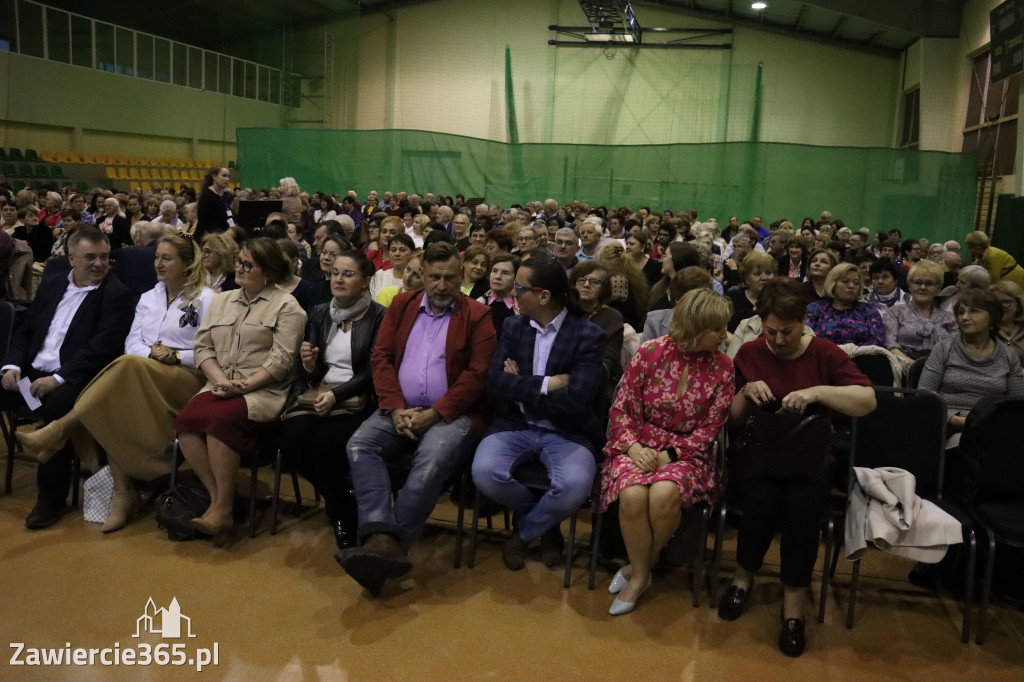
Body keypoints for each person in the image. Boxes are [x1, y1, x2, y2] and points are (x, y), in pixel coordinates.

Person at [718, 277, 875, 657]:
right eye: (770, 331)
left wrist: (819, 392)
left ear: (804, 321)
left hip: (807, 459)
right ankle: (742, 578)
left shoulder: (824, 353)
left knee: (803, 510)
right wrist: (744, 392)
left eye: (786, 332)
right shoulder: (751, 353)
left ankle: (793, 605)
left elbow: (868, 401)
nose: (778, 340)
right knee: (761, 501)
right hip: (759, 456)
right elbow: (733, 422)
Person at [17, 233, 215, 532]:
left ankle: (60, 430)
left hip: (185, 379)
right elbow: (131, 342)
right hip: (140, 373)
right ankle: (123, 493)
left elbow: (212, 350)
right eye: (156, 258)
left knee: (122, 369)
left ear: (188, 263)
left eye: (167, 258)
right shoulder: (149, 296)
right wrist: (151, 353)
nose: (158, 264)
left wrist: (177, 356)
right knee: (117, 394)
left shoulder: (208, 298)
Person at [337, 242, 496, 595]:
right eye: (435, 277)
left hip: (453, 413)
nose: (442, 285)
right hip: (400, 407)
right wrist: (394, 408)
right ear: (422, 274)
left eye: (450, 278)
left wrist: (436, 413)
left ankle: (388, 548)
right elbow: (381, 357)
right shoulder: (401, 304)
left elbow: (478, 375)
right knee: (361, 445)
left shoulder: (478, 315)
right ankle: (382, 538)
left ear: (462, 276)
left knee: (432, 459)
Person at [598, 288, 734, 614]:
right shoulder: (648, 353)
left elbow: (709, 430)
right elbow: (621, 410)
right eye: (717, 329)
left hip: (688, 453)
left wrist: (670, 455)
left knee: (662, 494)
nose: (725, 335)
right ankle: (643, 572)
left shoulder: (723, 367)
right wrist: (632, 447)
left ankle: (638, 570)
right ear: (696, 328)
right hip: (637, 443)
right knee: (631, 494)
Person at [472, 257, 607, 572]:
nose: (514, 292)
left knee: (574, 486)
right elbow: (494, 382)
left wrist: (519, 386)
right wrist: (550, 384)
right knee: (485, 474)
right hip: (515, 426)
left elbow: (576, 402)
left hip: (568, 430)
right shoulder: (513, 326)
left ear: (543, 296)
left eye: (520, 287)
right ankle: (546, 526)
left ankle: (524, 532)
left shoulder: (588, 335)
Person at [0, 227, 136, 529]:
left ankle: (50, 499)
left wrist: (59, 378)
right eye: (90, 257)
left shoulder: (117, 295)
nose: (99, 263)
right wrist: (11, 365)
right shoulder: (51, 285)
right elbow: (26, 331)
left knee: (57, 406)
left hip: (77, 377)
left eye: (104, 257)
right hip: (31, 372)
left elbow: (101, 349)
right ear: (71, 258)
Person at [174, 238, 306, 537]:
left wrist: (242, 386)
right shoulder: (221, 300)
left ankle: (221, 509)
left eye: (249, 265)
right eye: (239, 262)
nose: (240, 269)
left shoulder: (288, 307)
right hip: (220, 385)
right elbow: (202, 348)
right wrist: (221, 381)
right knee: (186, 421)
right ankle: (223, 499)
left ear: (269, 273)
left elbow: (281, 362)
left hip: (262, 390)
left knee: (220, 421)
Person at [279, 250, 386, 551]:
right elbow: (309, 372)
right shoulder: (320, 312)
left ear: (366, 281)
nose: (338, 278)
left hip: (359, 398)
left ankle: (341, 516)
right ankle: (342, 500)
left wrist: (336, 394)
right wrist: (310, 365)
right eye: (335, 272)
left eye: (348, 274)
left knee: (326, 445)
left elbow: (372, 372)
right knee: (291, 439)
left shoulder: (380, 316)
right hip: (320, 393)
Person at [919, 288, 1024, 443]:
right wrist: (955, 420)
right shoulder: (944, 348)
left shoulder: (1008, 355)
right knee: (963, 442)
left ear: (992, 317)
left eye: (974, 311)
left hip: (993, 426)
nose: (965, 317)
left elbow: (1017, 403)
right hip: (946, 426)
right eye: (961, 312)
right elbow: (924, 395)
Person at [884, 260, 956, 364]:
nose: (922, 287)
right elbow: (890, 344)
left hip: (944, 369)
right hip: (905, 368)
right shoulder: (894, 313)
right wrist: (913, 365)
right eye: (917, 282)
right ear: (910, 286)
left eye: (929, 284)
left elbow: (956, 349)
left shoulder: (949, 318)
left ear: (938, 289)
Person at [570, 261, 625, 388]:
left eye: (594, 282)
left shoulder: (612, 317)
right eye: (581, 280)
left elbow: (608, 362)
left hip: (598, 383)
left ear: (603, 289)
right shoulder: (564, 312)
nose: (587, 285)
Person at [805, 263, 884, 347]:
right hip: (823, 357)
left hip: (861, 357)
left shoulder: (869, 310)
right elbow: (807, 339)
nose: (851, 286)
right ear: (833, 283)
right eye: (845, 281)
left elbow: (877, 340)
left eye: (856, 283)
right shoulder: (815, 309)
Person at [641, 266, 714, 343]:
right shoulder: (654, 321)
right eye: (698, 299)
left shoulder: (715, 321)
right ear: (678, 299)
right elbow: (645, 354)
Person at [726, 252, 775, 333]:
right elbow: (720, 328)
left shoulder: (779, 299)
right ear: (746, 279)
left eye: (768, 273)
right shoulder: (732, 297)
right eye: (757, 274)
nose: (764, 278)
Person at [477, 253, 520, 339]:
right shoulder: (477, 304)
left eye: (505, 273)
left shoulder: (522, 310)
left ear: (515, 278)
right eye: (494, 271)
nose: (498, 276)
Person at [369, 233, 415, 300]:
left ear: (412, 253)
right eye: (393, 250)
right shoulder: (378, 275)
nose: (397, 254)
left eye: (402, 250)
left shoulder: (416, 279)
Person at [196, 166, 235, 240]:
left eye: (228, 176)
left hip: (225, 235)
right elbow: (202, 221)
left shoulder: (225, 194)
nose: (227, 179)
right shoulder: (207, 195)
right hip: (212, 237)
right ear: (214, 177)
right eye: (224, 176)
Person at [992, 280, 1024, 362]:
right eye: (996, 302)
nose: (1000, 306)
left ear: (1019, 306)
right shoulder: (984, 330)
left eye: (1006, 302)